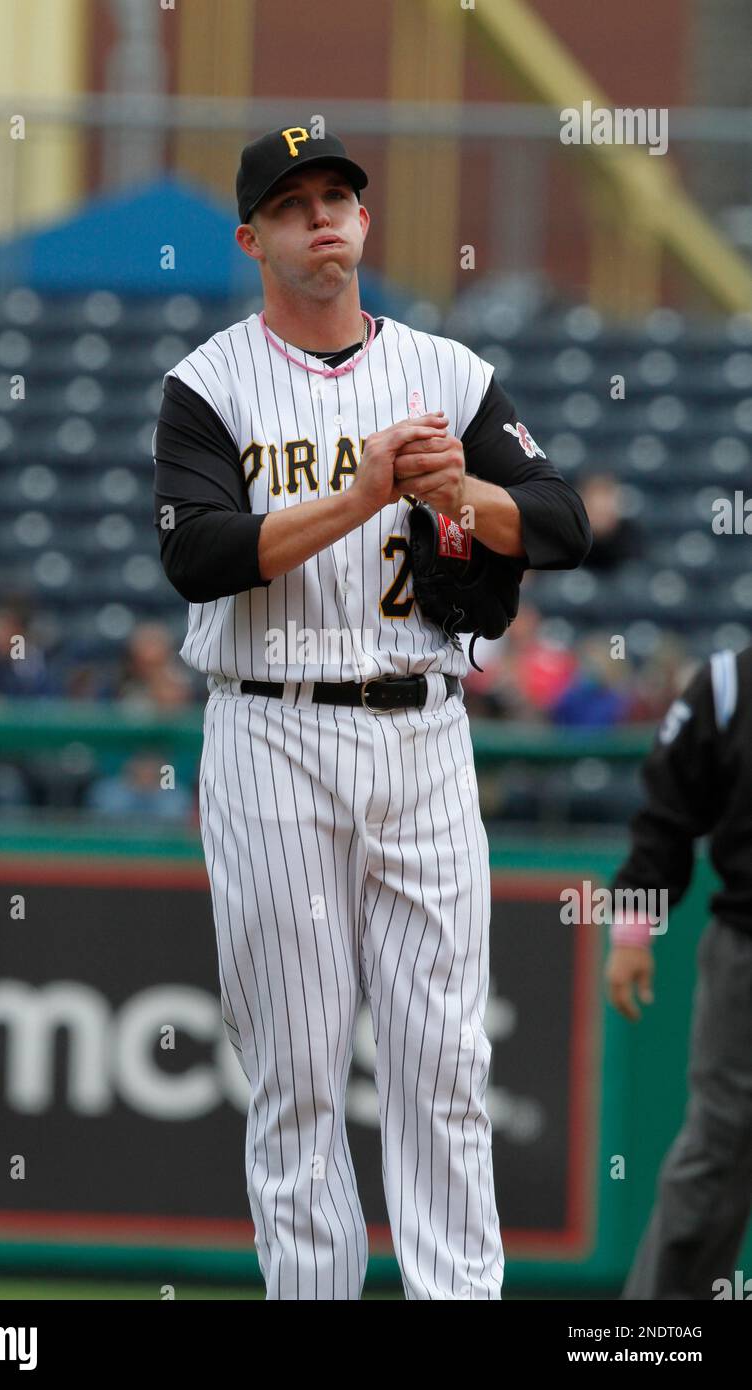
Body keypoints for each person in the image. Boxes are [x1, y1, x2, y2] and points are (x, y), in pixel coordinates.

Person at [153, 127, 591, 1300]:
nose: (321, 215)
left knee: (444, 1062)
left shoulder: (445, 370)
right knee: (296, 1073)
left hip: (422, 728)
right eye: (291, 203)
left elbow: (556, 522)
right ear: (251, 238)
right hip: (270, 728)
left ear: (362, 217)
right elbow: (196, 556)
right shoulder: (207, 384)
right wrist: (363, 493)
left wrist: (465, 493)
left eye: (337, 193)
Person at [605, 646, 752, 1299]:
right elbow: (667, 812)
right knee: (715, 1155)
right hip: (747, 950)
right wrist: (634, 930)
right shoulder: (729, 681)